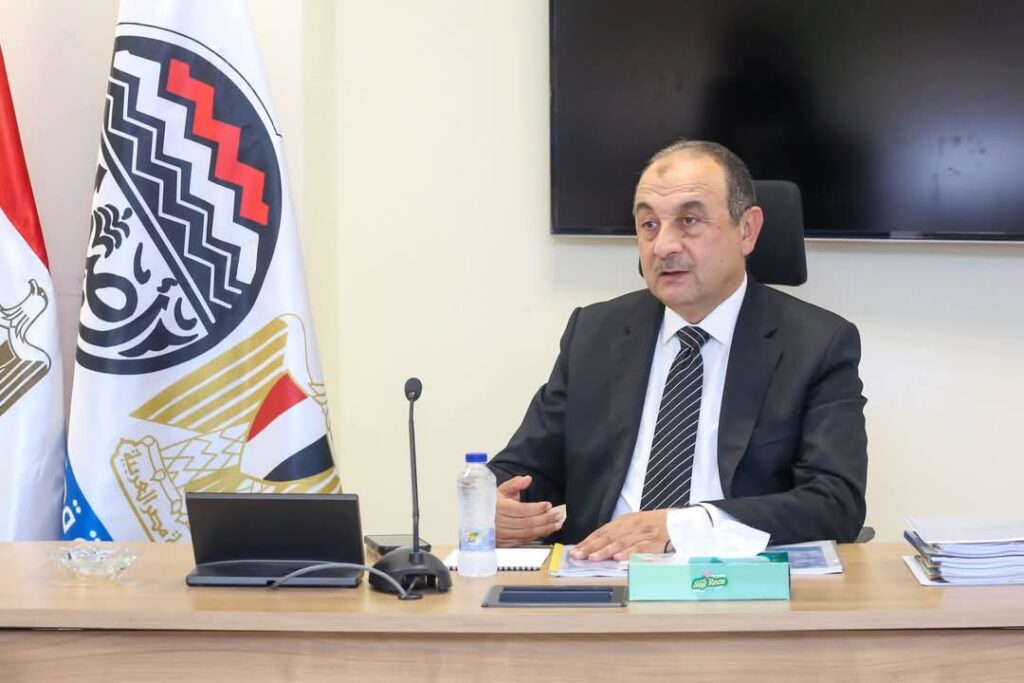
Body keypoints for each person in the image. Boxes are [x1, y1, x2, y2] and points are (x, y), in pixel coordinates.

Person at [488, 140, 867, 561]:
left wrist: (682, 527)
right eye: (649, 224)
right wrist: (498, 505)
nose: (663, 246)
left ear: (747, 230)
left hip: (736, 579)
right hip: (600, 576)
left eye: (689, 221)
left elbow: (835, 502)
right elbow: (523, 469)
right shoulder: (595, 333)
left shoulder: (816, 344)